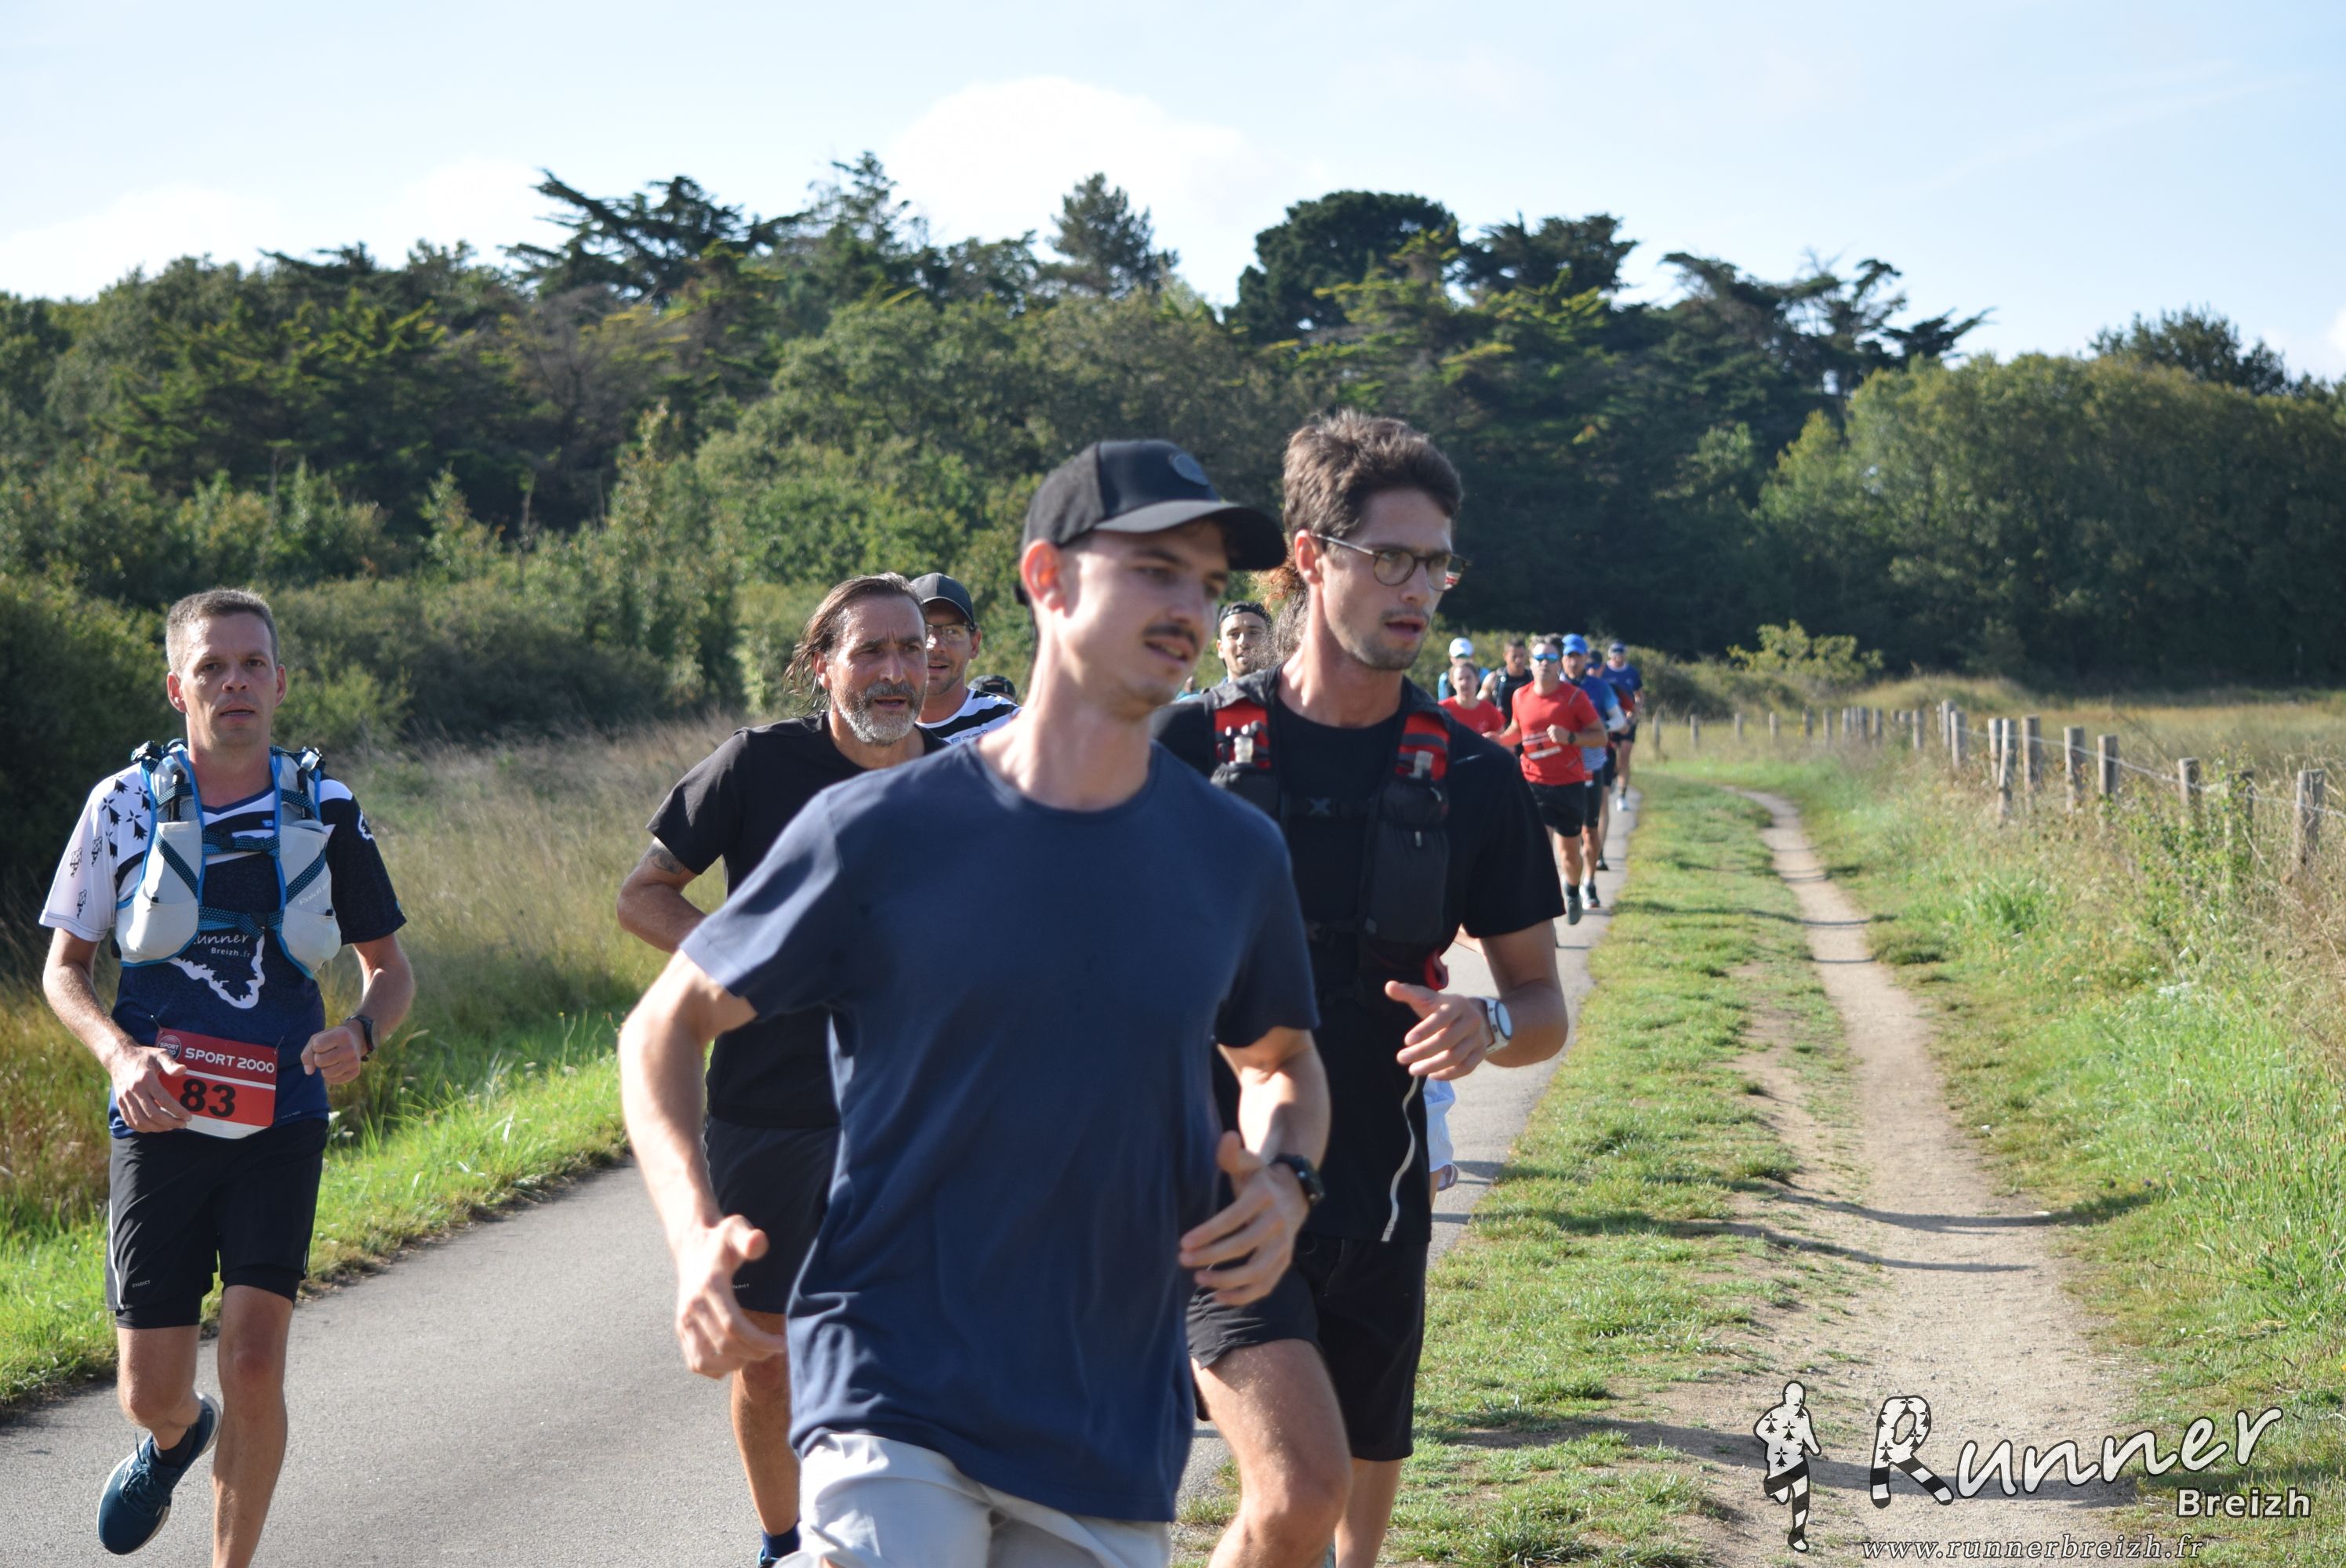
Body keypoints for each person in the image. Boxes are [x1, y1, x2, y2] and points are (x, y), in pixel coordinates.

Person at [619, 438, 1330, 1568]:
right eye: (1153, 569)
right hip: (890, 1372)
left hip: (1103, 1403)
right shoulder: (881, 829)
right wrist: (693, 1234)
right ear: (1047, 580)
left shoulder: (1232, 853)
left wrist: (1287, 1179)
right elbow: (663, 1025)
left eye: (1205, 582)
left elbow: (1280, 1059)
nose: (1189, 608)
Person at [1156, 412, 1570, 1568]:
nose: (1419, 588)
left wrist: (1486, 1022)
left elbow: (1542, 1005)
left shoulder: (1475, 778)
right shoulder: (1182, 753)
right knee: (1295, 1488)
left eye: (1437, 563)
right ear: (1309, 557)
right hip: (1214, 1190)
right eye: (1390, 558)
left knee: (1347, 1519)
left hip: (1384, 1194)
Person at [38, 588, 412, 1568]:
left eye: (251, 665)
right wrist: (120, 1055)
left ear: (280, 683)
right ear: (179, 687)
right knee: (148, 1390)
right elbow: (64, 969)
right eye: (211, 666)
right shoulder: (123, 803)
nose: (233, 682)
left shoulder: (326, 807)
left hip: (281, 1117)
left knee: (252, 1355)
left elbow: (390, 970)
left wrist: (361, 1033)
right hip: (160, 1118)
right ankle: (175, 1436)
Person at [615, 573, 941, 1568]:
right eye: (870, 650)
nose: (895, 671)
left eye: (910, 649)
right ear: (822, 664)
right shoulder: (757, 765)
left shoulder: (965, 782)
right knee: (766, 1358)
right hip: (770, 1106)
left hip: (915, 1113)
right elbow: (643, 894)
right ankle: (784, 1541)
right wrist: (746, 961)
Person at [1493, 637, 1608, 926]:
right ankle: (1544, 913)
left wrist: (1571, 737)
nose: (1544, 664)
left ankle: (1572, 889)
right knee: (1538, 852)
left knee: (1569, 856)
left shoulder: (1574, 698)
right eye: (1539, 659)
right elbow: (1518, 731)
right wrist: (1499, 740)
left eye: (1551, 659)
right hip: (1534, 783)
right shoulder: (1520, 696)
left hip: (1569, 784)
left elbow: (1600, 736)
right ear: (1531, 664)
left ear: (1559, 665)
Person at [912, 571, 1020, 744]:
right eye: (923, 631)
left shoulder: (1012, 725)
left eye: (952, 631)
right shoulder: (877, 728)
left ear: (974, 644)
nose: (936, 646)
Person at [1561, 635, 1626, 903]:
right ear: (1562, 659)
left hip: (1591, 764)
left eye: (1578, 656)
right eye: (1569, 656)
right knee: (1565, 833)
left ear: (1586, 658)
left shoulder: (1599, 687)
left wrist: (1597, 730)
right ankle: (1568, 882)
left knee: (1589, 829)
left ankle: (1589, 882)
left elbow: (1619, 720)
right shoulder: (1554, 686)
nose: (1573, 662)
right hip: (1560, 768)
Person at [1181, 601, 1276, 699]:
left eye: (1253, 632)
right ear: (1220, 648)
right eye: (1234, 634)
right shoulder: (1196, 706)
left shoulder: (1286, 704)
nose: (1243, 641)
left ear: (1272, 643)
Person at [1597, 641, 1643, 807]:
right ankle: (1612, 776)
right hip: (1609, 720)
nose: (1618, 658)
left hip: (1628, 719)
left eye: (1621, 654)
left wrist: (1632, 718)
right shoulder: (1603, 671)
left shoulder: (1632, 672)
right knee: (1610, 755)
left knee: (1624, 755)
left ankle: (1622, 796)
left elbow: (1639, 697)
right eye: (1615, 654)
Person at [1437, 652, 1505, 740]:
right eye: (1460, 679)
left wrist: (1494, 739)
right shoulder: (1443, 710)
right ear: (1453, 683)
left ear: (1477, 680)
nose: (1464, 682)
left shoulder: (1489, 710)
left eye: (1468, 678)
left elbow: (1504, 741)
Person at [1478, 637, 1532, 721]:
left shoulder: (1534, 678)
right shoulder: (1494, 680)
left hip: (1528, 725)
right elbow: (1478, 707)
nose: (1518, 660)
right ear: (1505, 656)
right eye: (1514, 657)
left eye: (1521, 656)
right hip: (1502, 726)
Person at [1434, 635, 1479, 700]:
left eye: (1464, 657)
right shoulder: (1445, 678)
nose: (1461, 661)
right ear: (1451, 658)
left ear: (1472, 656)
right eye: (1458, 657)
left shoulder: (1484, 675)